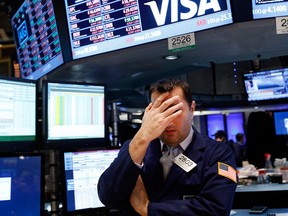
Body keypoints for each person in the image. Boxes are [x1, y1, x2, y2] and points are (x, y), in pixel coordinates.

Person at [98, 77, 237, 216]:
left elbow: (216, 209)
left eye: (175, 110)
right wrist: (141, 137)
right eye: (160, 112)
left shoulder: (218, 153)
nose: (167, 121)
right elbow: (108, 197)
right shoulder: (136, 147)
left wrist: (148, 210)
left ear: (192, 109)